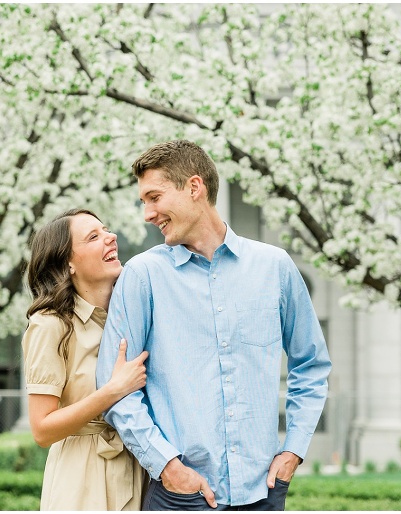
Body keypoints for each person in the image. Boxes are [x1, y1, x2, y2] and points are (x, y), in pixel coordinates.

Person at [96, 140, 332, 510]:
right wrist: (168, 466)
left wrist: (293, 451)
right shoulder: (143, 276)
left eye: (154, 197)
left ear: (194, 188)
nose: (147, 213)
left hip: (263, 492)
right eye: (144, 201)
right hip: (178, 495)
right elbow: (115, 389)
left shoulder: (275, 267)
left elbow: (311, 364)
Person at [22, 208, 149, 510]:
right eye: (94, 237)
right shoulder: (50, 325)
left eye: (106, 230)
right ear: (68, 264)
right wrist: (112, 391)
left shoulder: (132, 315)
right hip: (81, 478)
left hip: (138, 467)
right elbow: (42, 429)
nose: (111, 238)